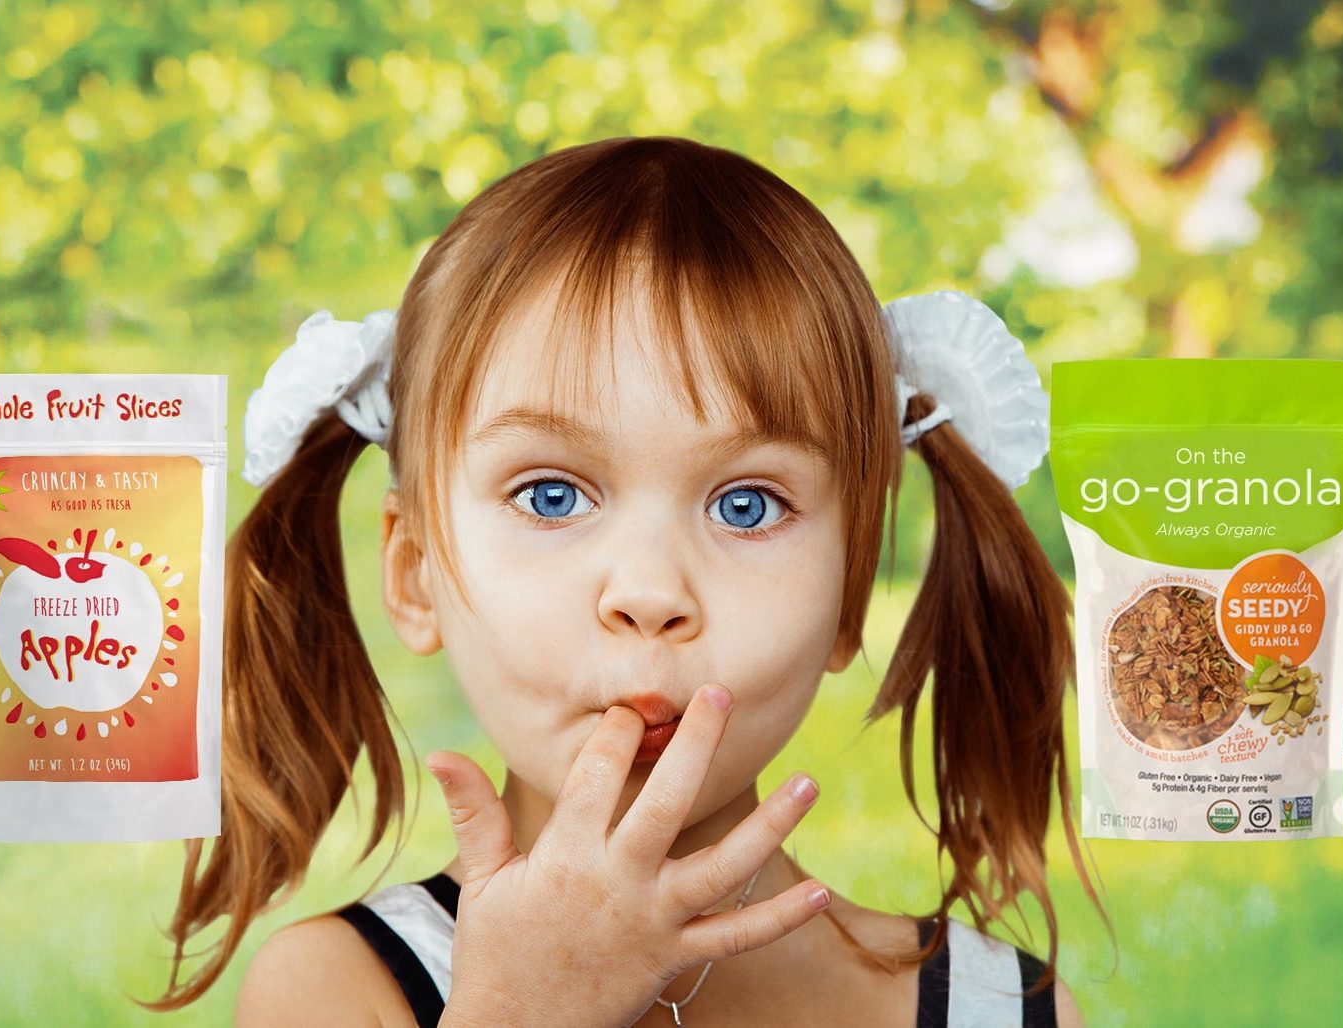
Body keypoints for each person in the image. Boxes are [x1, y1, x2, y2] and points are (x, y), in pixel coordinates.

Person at [149, 136, 1096, 1026]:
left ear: (850, 592)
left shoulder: (1001, 1008)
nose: (648, 593)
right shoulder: (340, 990)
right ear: (415, 574)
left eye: (746, 506)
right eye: (552, 495)